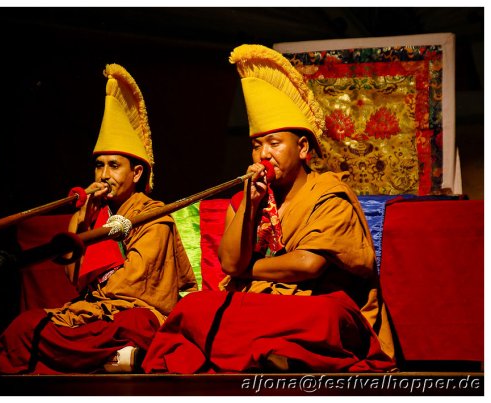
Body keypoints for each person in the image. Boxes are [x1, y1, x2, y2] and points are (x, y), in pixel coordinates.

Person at [141, 44, 396, 373]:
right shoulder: (250, 198)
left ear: (302, 148)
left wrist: (246, 271)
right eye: (256, 146)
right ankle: (275, 355)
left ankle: (264, 352)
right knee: (196, 307)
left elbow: (307, 265)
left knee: (325, 317)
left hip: (311, 303)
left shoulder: (330, 193)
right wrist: (251, 202)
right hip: (263, 304)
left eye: (274, 144)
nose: (263, 155)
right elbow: (230, 261)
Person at [0, 64, 198, 374]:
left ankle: (98, 355)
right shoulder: (93, 215)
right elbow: (75, 279)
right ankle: (114, 359)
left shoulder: (155, 216)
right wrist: (83, 220)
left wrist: (97, 303)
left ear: (136, 172)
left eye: (114, 166)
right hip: (91, 312)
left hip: (129, 312)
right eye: (99, 166)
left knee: (134, 325)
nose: (104, 175)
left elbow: (138, 289)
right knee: (25, 326)